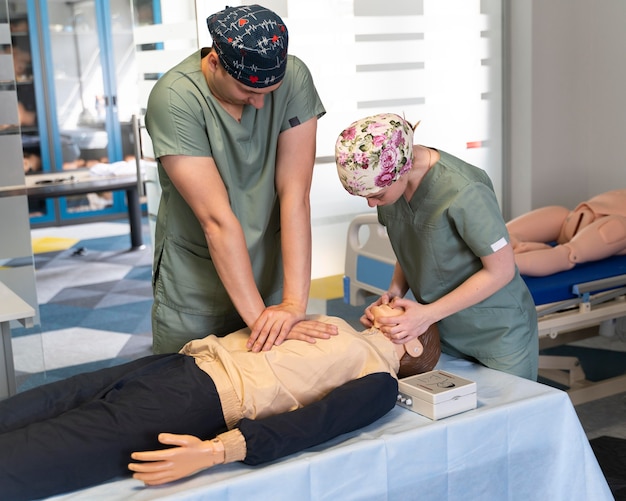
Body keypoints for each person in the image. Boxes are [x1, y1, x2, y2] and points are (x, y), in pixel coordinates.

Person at [0, 310, 440, 501]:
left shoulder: (379, 380)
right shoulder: (334, 322)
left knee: (37, 453)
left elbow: (314, 425)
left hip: (196, 402)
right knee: (37, 403)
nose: (387, 300)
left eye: (401, 307)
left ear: (415, 340)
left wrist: (216, 451)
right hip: (176, 364)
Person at [145, 4, 334, 354]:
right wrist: (262, 323)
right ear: (215, 62)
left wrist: (293, 304)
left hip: (268, 269)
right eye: (248, 91)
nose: (260, 105)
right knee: (193, 391)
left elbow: (295, 194)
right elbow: (216, 221)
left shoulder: (294, 78)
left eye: (269, 92)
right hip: (198, 279)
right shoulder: (174, 99)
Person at [335, 112, 539, 380]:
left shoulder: (464, 190)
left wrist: (426, 314)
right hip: (441, 329)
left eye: (377, 195)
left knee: (510, 418)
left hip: (497, 332)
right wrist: (394, 296)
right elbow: (411, 244)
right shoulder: (392, 189)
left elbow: (501, 271)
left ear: (403, 168)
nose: (371, 204)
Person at [506, 189, 626, 276]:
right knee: (504, 234)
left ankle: (504, 265)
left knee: (567, 255)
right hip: (575, 216)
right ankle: (501, 253)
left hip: (614, 227)